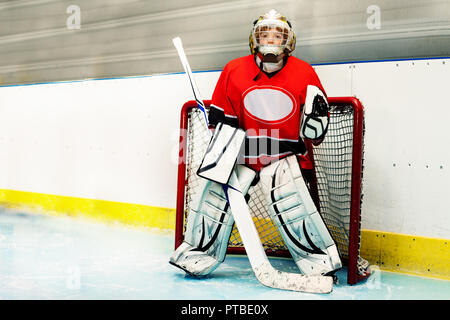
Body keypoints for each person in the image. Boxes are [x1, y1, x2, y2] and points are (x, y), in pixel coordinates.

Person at [170, 9, 342, 279]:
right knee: (216, 196)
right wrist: (223, 149)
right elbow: (222, 122)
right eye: (264, 34)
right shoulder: (234, 69)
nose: (271, 39)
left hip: (287, 154)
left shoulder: (304, 71)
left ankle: (318, 263)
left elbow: (316, 127)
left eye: (277, 35)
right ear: (254, 39)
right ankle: (197, 254)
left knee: (292, 203)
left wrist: (315, 121)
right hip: (244, 152)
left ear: (289, 40)